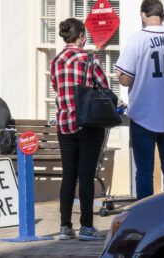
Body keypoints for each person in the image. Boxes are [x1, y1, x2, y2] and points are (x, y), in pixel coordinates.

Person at [115, 0, 164, 200]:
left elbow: (125, 79)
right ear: (163, 16)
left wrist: (122, 76)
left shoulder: (137, 40)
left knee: (144, 171)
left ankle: (145, 214)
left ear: (143, 15)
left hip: (144, 114)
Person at [50, 18, 109, 241]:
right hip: (88, 123)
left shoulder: (55, 61)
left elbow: (57, 87)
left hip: (64, 124)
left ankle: (65, 226)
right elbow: (103, 86)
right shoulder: (90, 59)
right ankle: (87, 226)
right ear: (82, 36)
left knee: (69, 176)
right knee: (86, 176)